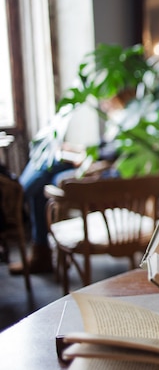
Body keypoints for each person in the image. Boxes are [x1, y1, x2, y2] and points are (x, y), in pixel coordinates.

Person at [9, 96, 124, 275]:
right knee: (48, 168)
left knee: (48, 169)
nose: (105, 101)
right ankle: (40, 251)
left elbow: (113, 153)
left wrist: (87, 158)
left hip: (99, 173)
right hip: (88, 163)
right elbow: (102, 147)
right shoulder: (116, 118)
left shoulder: (129, 119)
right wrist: (79, 150)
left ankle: (18, 195)